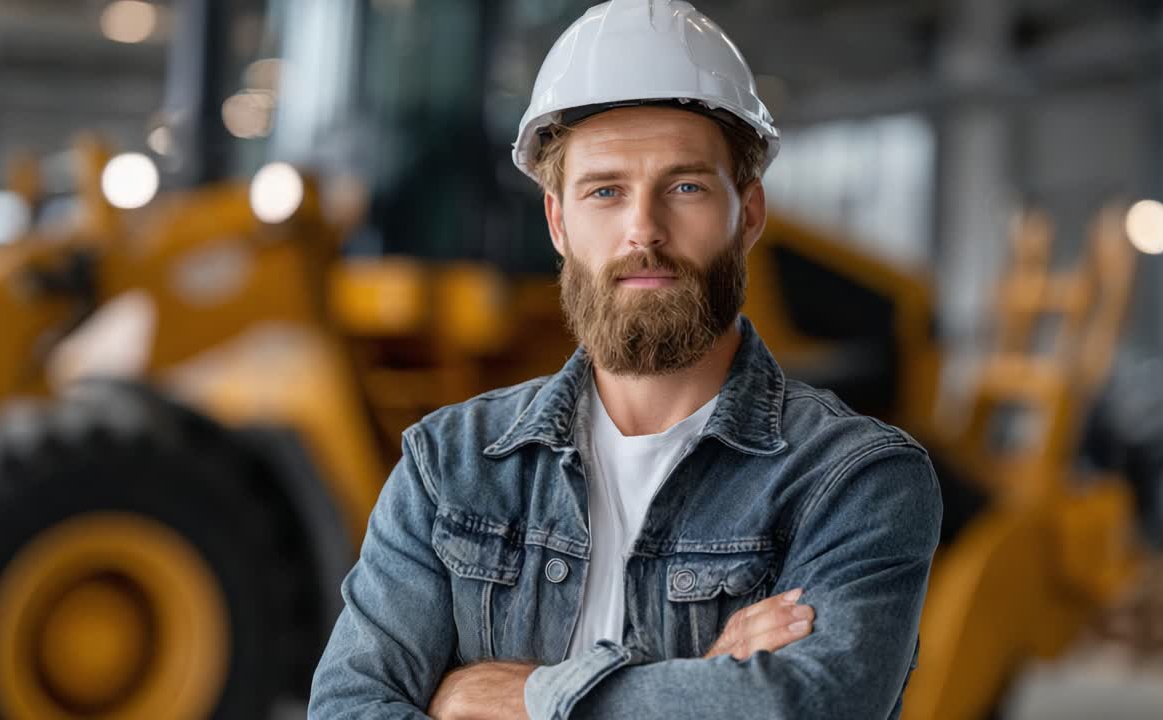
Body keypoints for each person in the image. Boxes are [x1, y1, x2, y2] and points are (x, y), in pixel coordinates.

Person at [309, 1, 942, 718]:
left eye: (685, 187)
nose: (644, 228)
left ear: (750, 213)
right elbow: (348, 708)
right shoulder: (450, 468)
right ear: (558, 221)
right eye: (605, 191)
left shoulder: (852, 482)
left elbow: (801, 708)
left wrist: (512, 698)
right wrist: (700, 683)